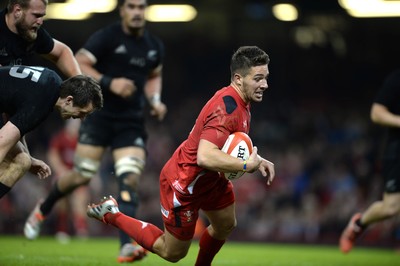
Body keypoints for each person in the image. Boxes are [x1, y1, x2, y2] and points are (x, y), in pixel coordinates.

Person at [86, 46, 276, 265]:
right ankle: (112, 214)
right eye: (259, 78)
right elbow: (204, 157)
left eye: (266, 78)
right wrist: (244, 165)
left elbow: (224, 148)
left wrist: (257, 160)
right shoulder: (226, 109)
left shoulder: (242, 101)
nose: (265, 84)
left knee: (225, 224)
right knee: (172, 252)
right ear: (238, 78)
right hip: (184, 183)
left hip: (211, 179)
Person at [24, 0, 167, 263]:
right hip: (98, 117)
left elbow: (154, 75)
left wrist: (155, 100)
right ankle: (43, 209)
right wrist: (111, 83)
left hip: (130, 122)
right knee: (82, 175)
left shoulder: (154, 46)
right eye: (132, 7)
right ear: (123, 10)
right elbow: (80, 61)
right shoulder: (107, 37)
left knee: (129, 179)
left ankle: (126, 245)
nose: (137, 12)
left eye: (141, 7)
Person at [0, 65, 103, 200]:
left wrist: (29, 157)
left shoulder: (51, 81)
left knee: (23, 160)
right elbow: (2, 141)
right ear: (69, 100)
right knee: (19, 160)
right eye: (82, 112)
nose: (82, 118)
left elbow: (15, 123)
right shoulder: (42, 103)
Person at [339, 69, 400, 254]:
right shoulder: (396, 79)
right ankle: (358, 224)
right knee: (391, 208)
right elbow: (376, 113)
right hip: (397, 150)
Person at [0, 0, 81, 76]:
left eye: (42, 16)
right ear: (17, 11)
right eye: (37, 15)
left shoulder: (30, 31)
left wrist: (82, 83)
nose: (40, 22)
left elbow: (62, 52)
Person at [47, 119, 90, 240]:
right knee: (62, 200)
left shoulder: (82, 140)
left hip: (77, 175)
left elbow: (87, 158)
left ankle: (81, 229)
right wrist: (61, 170)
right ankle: (62, 229)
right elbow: (53, 155)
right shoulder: (59, 138)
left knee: (80, 199)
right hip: (63, 174)